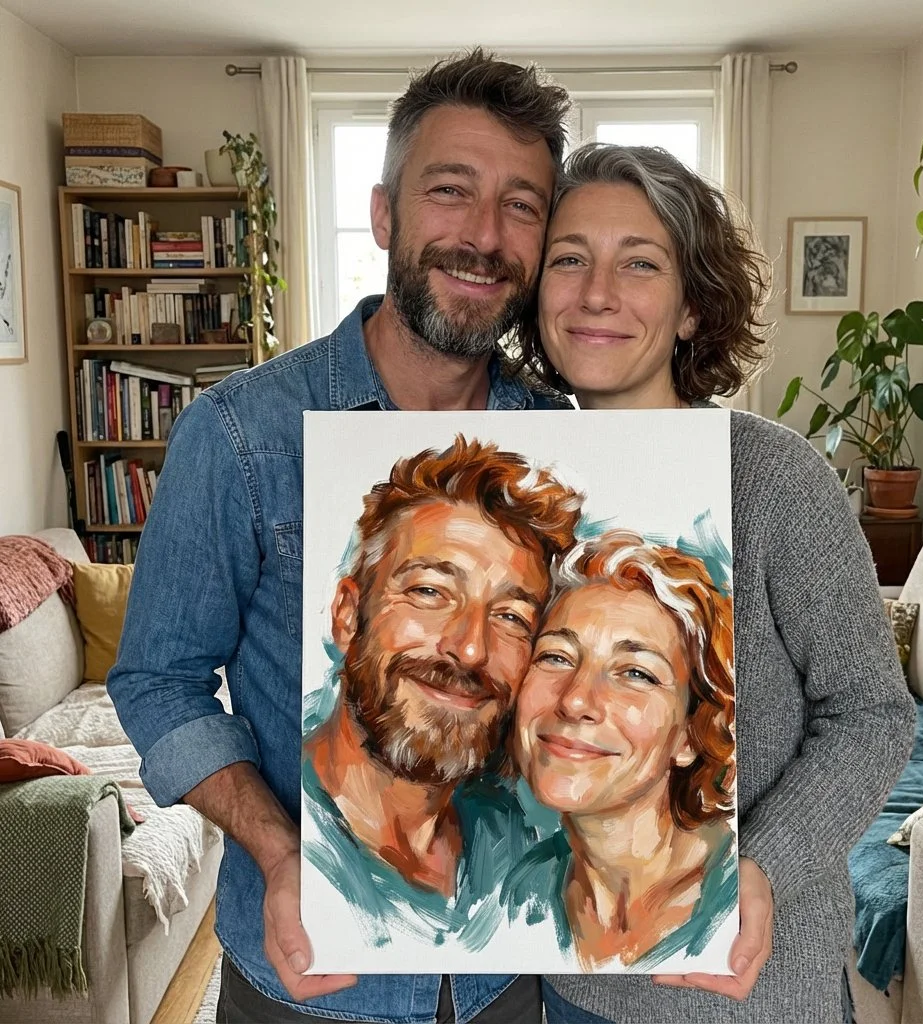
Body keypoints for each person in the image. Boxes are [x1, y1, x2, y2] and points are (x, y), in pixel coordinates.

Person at [107, 50, 573, 1024]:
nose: (484, 235)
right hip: (311, 976)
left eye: (522, 204)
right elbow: (156, 680)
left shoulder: (562, 436)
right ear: (384, 214)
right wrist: (281, 852)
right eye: (451, 190)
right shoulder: (240, 433)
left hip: (509, 973)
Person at [513, 143, 917, 1022]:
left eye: (641, 264)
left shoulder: (775, 480)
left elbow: (875, 714)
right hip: (572, 982)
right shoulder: (516, 497)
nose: (597, 293)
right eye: (569, 259)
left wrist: (761, 867)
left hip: (753, 990)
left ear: (694, 308)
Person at [302, 436, 581, 952]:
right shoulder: (295, 834)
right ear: (347, 615)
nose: (471, 648)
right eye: (430, 592)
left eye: (511, 617)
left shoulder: (521, 848)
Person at [505, 530, 738, 972]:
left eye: (635, 672)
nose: (575, 700)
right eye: (555, 656)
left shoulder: (734, 892)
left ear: (691, 735)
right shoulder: (518, 891)